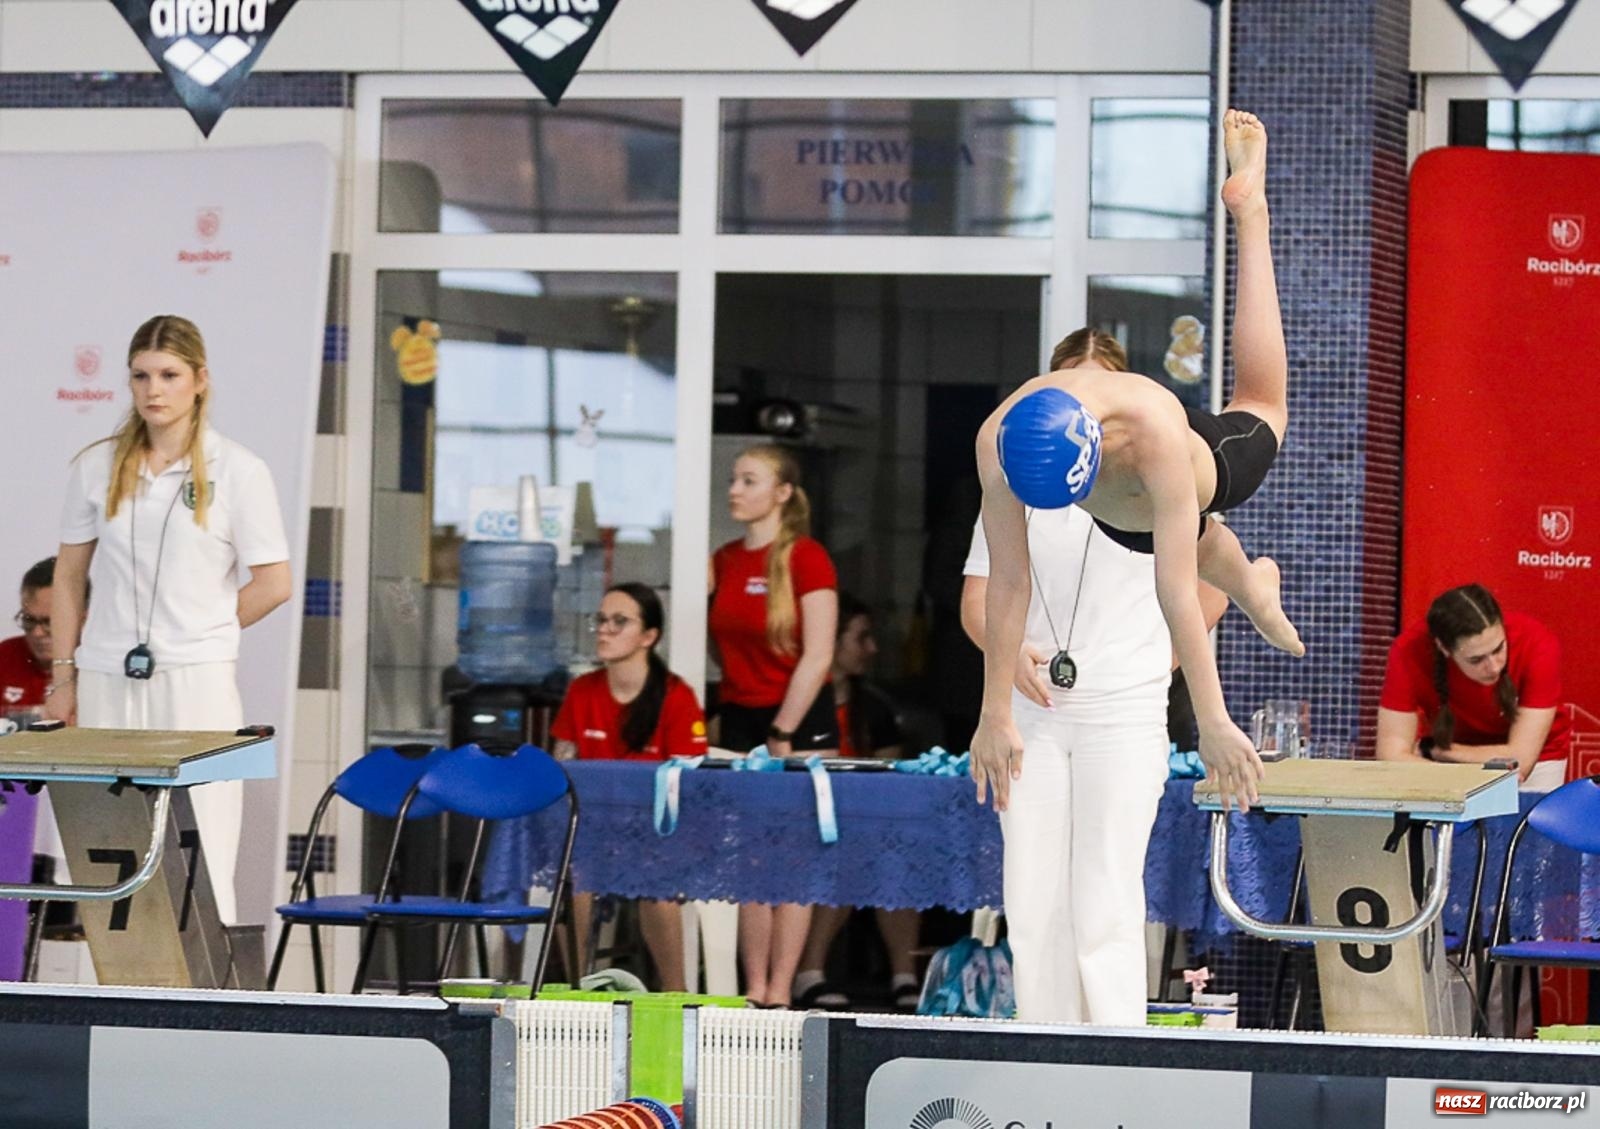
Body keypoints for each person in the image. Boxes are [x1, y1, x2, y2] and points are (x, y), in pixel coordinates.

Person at [973, 109, 1296, 817]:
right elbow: (1008, 582)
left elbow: (1176, 591)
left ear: (1095, 448)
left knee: (1263, 404)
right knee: (1187, 543)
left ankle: (1252, 214)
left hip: (1189, 467)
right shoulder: (998, 442)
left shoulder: (1151, 428)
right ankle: (1253, 583)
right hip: (1133, 515)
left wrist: (1212, 720)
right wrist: (993, 711)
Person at [961, 330, 1229, 1026]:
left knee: (1106, 893)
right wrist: (1006, 670)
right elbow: (984, 595)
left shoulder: (1154, 465)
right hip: (1036, 712)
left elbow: (1210, 588)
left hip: (1124, 711)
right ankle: (1042, 1041)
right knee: (1031, 894)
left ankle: (1115, 1046)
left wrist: (1151, 663)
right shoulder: (1022, 466)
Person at [46, 315, 293, 924]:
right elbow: (69, 577)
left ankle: (206, 978)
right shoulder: (96, 466)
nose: (154, 390)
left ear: (200, 380)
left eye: (169, 375)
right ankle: (105, 975)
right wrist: (65, 675)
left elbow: (275, 583)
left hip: (196, 680)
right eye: (141, 376)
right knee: (106, 843)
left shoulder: (239, 470)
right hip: (106, 675)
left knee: (201, 840)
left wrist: (205, 631)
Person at [708, 443, 839, 1007]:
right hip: (741, 717)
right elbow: (716, 642)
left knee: (792, 861)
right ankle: (754, 988)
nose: (735, 490)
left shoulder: (806, 558)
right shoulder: (722, 560)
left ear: (783, 492)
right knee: (749, 863)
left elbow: (819, 652)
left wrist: (783, 730)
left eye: (749, 480)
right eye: (733, 480)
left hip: (798, 717)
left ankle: (781, 989)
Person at [550, 581, 708, 990]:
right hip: (594, 833)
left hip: (658, 834)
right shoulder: (582, 692)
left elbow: (691, 784)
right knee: (572, 875)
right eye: (601, 619)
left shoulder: (676, 696)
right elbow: (561, 768)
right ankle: (582, 991)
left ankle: (675, 994)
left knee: (655, 879)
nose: (604, 629)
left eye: (619, 621)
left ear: (648, 636)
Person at [793, 594, 918, 1010]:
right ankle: (809, 973)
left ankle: (904, 976)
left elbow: (890, 786)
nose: (872, 649)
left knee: (896, 853)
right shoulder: (796, 705)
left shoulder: (876, 710)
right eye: (861, 638)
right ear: (830, 639)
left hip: (859, 825)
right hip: (802, 822)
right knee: (840, 853)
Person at [1376, 584, 1569, 791]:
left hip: (1538, 758)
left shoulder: (1536, 642)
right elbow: (1390, 755)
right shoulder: (1408, 651)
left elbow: (1520, 760)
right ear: (1443, 648)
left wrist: (1442, 752)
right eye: (1476, 660)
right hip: (1444, 762)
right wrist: (1460, 778)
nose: (1494, 667)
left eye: (1499, 649)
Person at [1, 558, 57, 714]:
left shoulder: (98, 666)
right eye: (29, 620)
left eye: (49, 622)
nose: (37, 633)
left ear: (82, 618)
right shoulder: (5, 655)